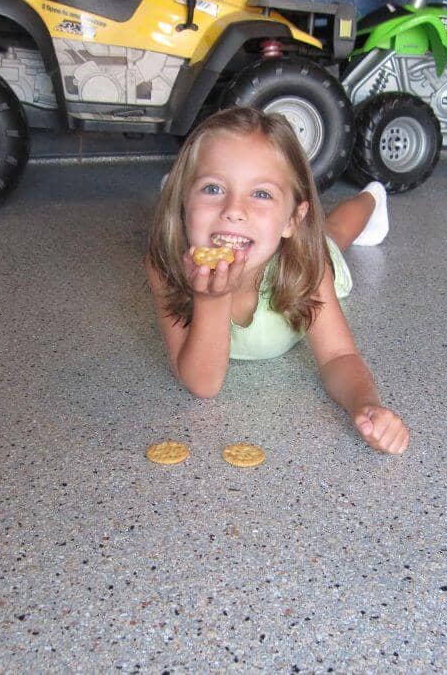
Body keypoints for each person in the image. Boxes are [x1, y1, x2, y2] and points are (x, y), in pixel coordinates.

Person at [145, 107, 409, 455]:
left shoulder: (308, 267)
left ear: (292, 220)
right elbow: (203, 384)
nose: (234, 210)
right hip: (258, 235)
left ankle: (371, 198)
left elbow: (338, 356)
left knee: (336, 233)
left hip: (304, 253)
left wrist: (365, 403)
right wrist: (211, 299)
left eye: (261, 194)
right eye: (213, 188)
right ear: (182, 207)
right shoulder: (163, 265)